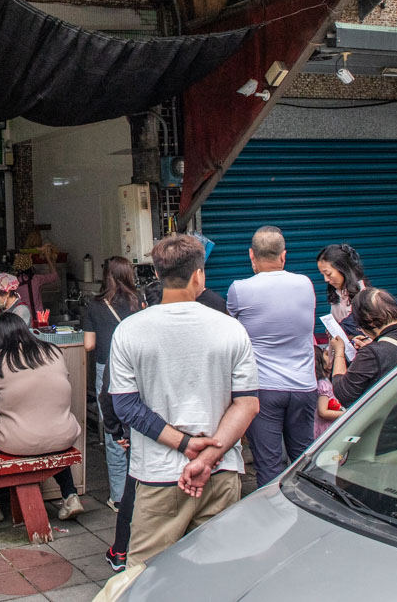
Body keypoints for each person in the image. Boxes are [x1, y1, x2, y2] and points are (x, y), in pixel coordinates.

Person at [109, 234, 259, 565]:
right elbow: (247, 403)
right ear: (198, 275)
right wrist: (207, 456)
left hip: (158, 476)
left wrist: (185, 446)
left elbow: (126, 406)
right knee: (217, 574)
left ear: (159, 277)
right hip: (221, 472)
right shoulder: (231, 329)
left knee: (145, 577)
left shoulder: (129, 331)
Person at [225, 226, 318, 486]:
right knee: (303, 461)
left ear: (251, 256)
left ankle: (273, 518)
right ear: (283, 256)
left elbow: (233, 328)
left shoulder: (239, 290)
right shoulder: (305, 284)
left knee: (268, 465)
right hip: (304, 387)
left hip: (263, 389)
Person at [0, 313, 84, 519]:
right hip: (63, 435)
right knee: (50, 432)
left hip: (17, 441)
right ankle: (70, 495)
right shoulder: (53, 351)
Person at [329, 287, 397, 450]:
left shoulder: (372, 353)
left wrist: (339, 353)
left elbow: (343, 394)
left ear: (366, 321)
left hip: (387, 443)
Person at [82, 256, 142, 510]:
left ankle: (118, 496)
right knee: (139, 425)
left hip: (107, 368)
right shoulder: (140, 301)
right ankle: (143, 489)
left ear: (105, 276)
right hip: (138, 368)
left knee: (113, 430)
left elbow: (89, 345)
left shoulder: (93, 305)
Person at [97, 361, 135, 573]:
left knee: (133, 488)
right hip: (194, 432)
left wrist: (117, 430)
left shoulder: (126, 336)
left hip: (141, 431)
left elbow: (107, 394)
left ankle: (121, 550)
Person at [316, 243, 369, 337]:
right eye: (322, 274)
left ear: (343, 269)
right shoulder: (337, 294)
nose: (326, 279)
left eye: (328, 274)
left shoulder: (366, 297)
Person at [9, 243, 59, 316]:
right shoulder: (36, 279)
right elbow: (54, 276)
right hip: (38, 318)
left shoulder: (13, 282)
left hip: (21, 317)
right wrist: (48, 259)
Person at [313, 346, 343, 439]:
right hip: (324, 429)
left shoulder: (315, 382)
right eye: (325, 354)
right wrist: (347, 414)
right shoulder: (323, 384)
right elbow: (323, 412)